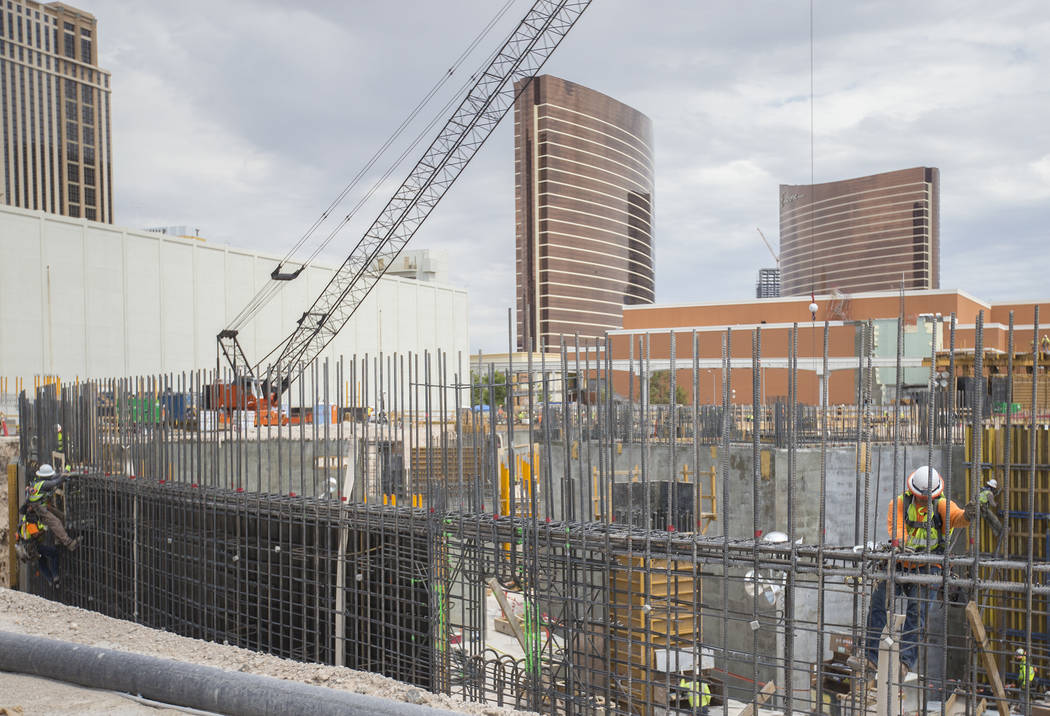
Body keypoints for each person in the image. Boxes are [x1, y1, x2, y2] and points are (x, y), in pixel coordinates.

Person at [852, 466, 975, 679]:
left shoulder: (943, 505)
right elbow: (897, 529)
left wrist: (969, 515)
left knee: (916, 613)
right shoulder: (899, 504)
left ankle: (905, 663)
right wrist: (902, 544)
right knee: (879, 602)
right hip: (900, 564)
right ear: (913, 493)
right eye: (920, 498)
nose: (923, 501)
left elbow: (957, 518)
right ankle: (870, 658)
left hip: (929, 568)